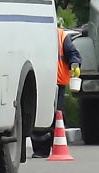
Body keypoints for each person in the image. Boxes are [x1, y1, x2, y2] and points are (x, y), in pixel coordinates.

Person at [35, 25, 84, 157]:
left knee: (56, 114)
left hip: (57, 82)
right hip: (40, 81)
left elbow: (73, 53)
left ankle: (56, 144)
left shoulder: (61, 36)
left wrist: (74, 64)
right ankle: (41, 150)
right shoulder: (34, 33)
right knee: (39, 116)